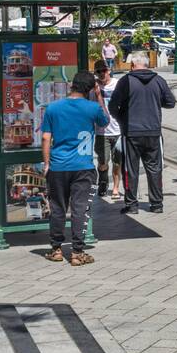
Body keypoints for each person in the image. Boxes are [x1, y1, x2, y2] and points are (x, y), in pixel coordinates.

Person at [40, 70, 109, 266]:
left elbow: (46, 138)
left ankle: (56, 249)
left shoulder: (53, 108)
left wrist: (46, 164)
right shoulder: (92, 108)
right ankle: (77, 252)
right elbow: (106, 121)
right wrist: (98, 96)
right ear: (90, 89)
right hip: (83, 166)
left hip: (58, 166)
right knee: (80, 209)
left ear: (72, 84)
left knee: (57, 208)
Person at [109, 52, 176, 215]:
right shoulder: (159, 80)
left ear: (132, 65)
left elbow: (112, 106)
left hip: (131, 132)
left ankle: (132, 205)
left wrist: (122, 121)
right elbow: (170, 102)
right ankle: (157, 204)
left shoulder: (126, 81)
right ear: (148, 64)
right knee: (154, 168)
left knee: (130, 168)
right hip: (153, 131)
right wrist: (154, 103)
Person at [90, 59, 123, 199]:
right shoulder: (95, 88)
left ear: (108, 70)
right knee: (103, 163)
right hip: (101, 132)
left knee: (117, 163)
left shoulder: (117, 84)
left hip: (118, 130)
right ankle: (103, 182)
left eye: (104, 70)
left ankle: (115, 187)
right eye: (98, 72)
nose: (102, 74)